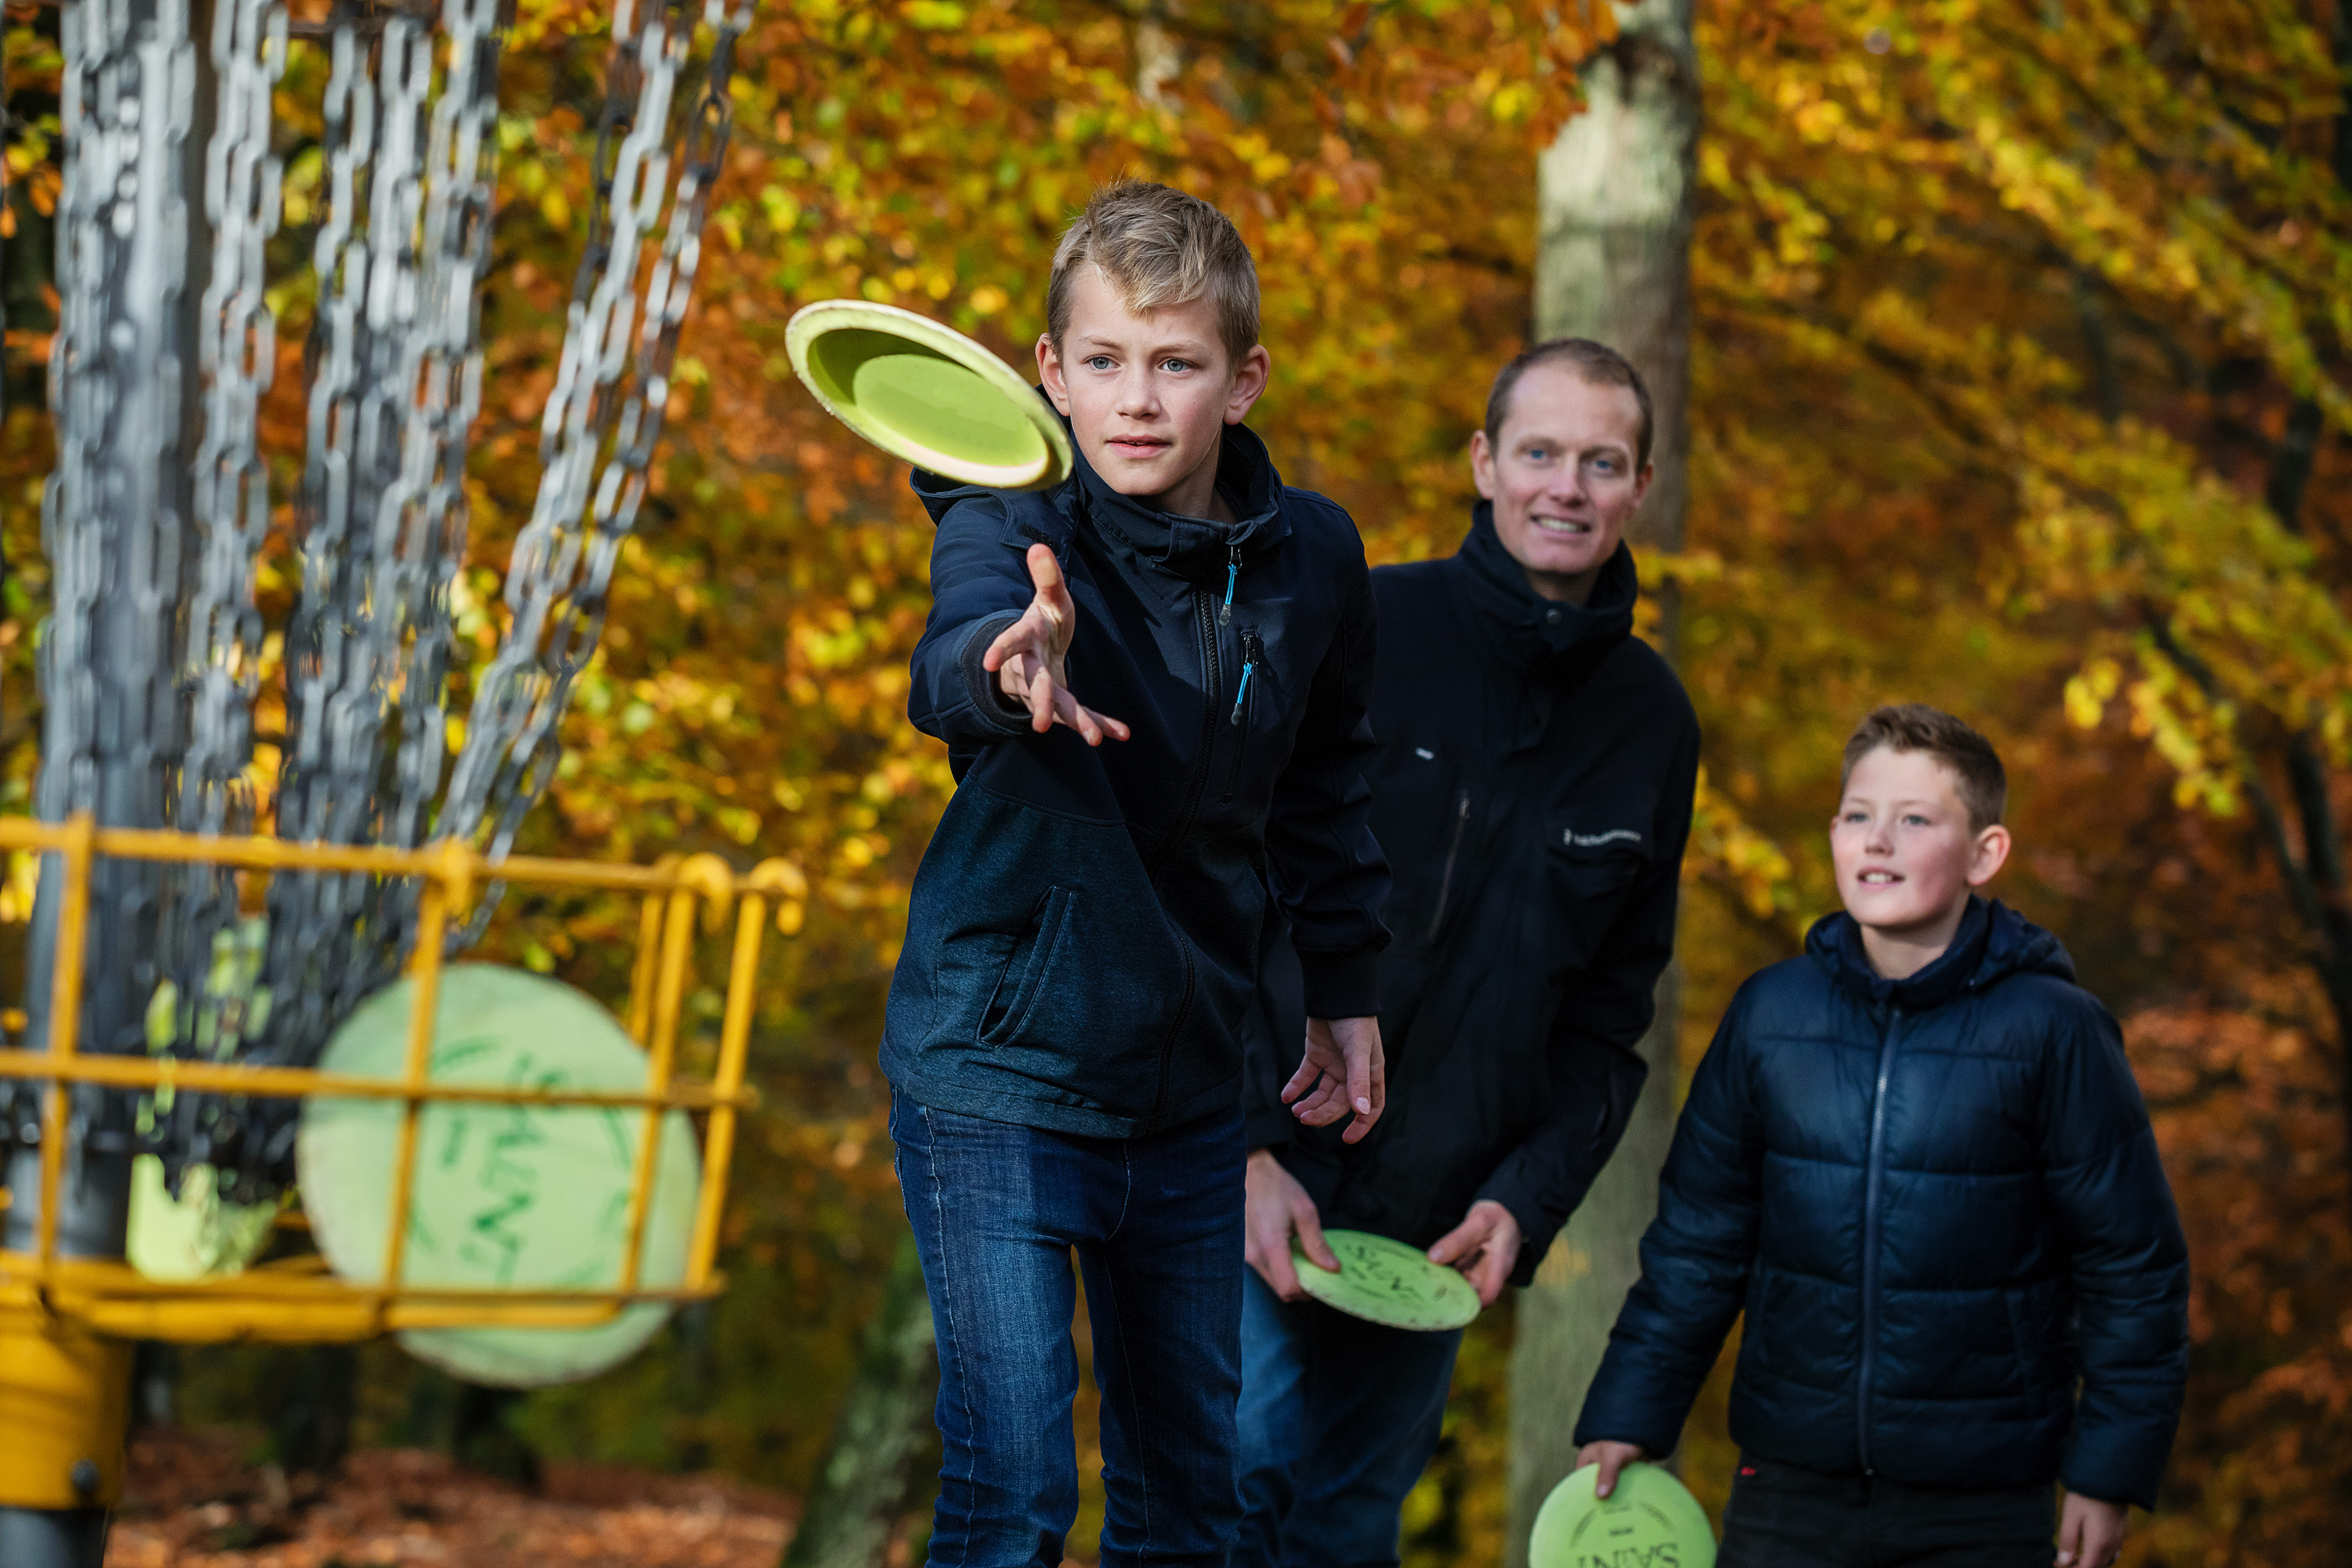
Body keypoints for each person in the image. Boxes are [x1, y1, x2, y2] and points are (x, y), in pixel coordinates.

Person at [883, 178, 1394, 1568]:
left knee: (1189, 1507)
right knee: (1015, 1496)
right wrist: (1009, 665)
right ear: (1051, 372)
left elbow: (1329, 792)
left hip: (1187, 1094)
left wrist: (1346, 993)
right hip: (995, 1067)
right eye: (1103, 362)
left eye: (1175, 365)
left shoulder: (1317, 562)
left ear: (1243, 380)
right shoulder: (1013, 511)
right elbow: (956, 653)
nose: (1137, 400)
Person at [1236, 338, 1700, 1568]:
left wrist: (1523, 1203)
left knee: (1347, 1528)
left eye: (1602, 463)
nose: (1568, 486)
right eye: (1540, 452)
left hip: (1429, 1239)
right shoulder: (1368, 624)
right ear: (1485, 463)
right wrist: (1236, 1145)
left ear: (1639, 485)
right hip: (1258, 1173)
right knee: (1237, 1475)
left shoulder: (1654, 725)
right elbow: (1215, 881)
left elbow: (1609, 1023)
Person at [1574, 705, 2191, 1568]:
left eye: (1915, 820)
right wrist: (1628, 1413)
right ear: (1833, 834)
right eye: (1860, 816)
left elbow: (2132, 1266)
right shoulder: (1768, 1016)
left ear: (1985, 854)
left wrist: (2108, 1467)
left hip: (1983, 1497)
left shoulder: (2055, 1031)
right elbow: (1697, 1244)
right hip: (1787, 1485)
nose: (1879, 841)